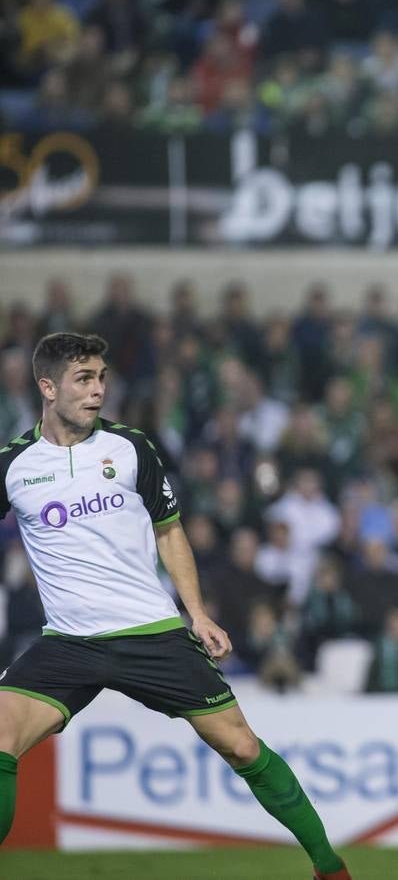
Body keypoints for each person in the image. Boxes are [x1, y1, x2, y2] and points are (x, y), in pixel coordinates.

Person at [0, 333, 349, 879]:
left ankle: (330, 868)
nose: (98, 391)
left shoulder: (131, 447)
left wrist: (199, 613)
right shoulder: (14, 464)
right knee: (0, 738)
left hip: (151, 632)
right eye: (84, 380)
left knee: (241, 747)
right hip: (68, 641)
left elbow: (170, 532)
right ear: (47, 387)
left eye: (102, 378)